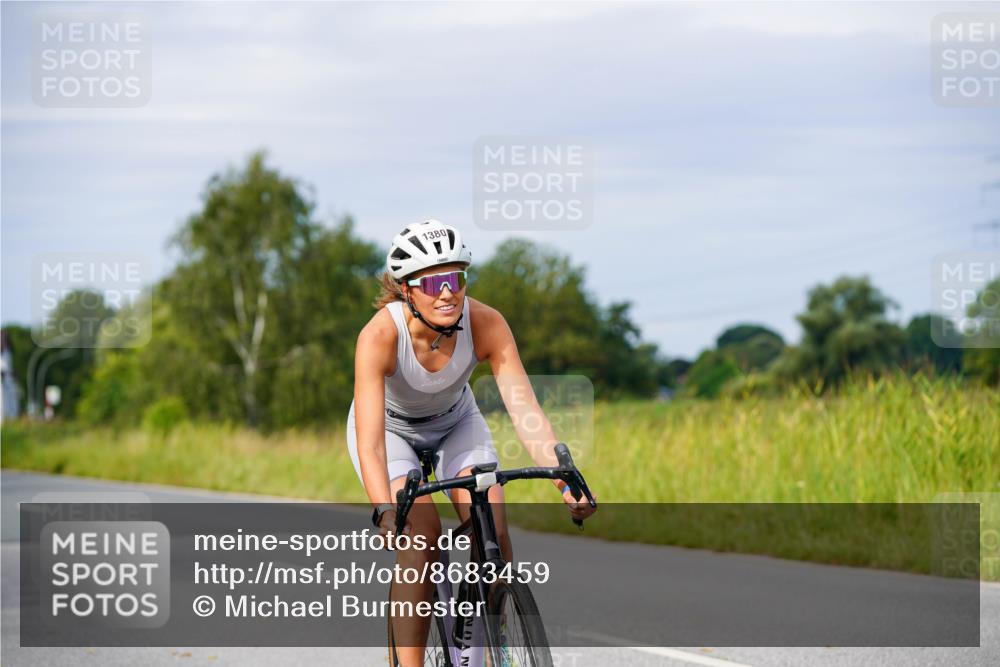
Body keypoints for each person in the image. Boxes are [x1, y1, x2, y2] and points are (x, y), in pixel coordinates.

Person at [346, 219, 597, 665]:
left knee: (493, 529)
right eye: (434, 282)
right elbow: (370, 445)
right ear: (406, 290)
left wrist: (564, 483)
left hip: (455, 422)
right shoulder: (380, 336)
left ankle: (491, 650)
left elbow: (526, 411)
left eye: (457, 277)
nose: (448, 292)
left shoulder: (485, 323)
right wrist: (385, 510)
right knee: (421, 539)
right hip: (391, 431)